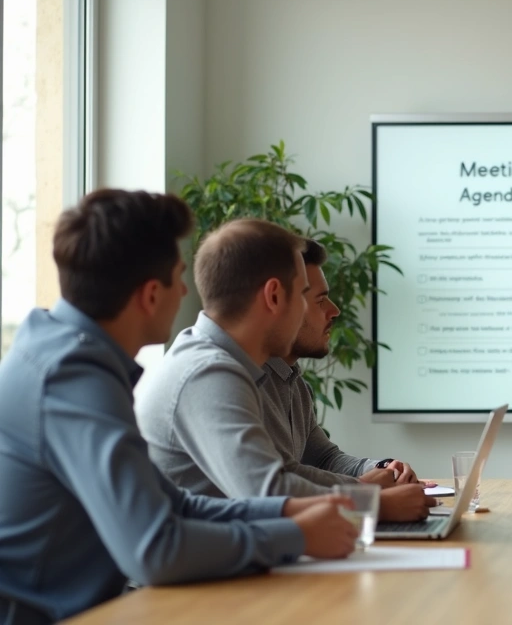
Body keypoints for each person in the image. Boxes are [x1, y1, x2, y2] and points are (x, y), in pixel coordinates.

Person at [0, 191, 356, 624]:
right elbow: (154, 549)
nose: (188, 290)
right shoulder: (72, 379)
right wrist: (294, 535)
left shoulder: (64, 355)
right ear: (151, 295)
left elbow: (174, 504)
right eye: (178, 276)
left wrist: (284, 512)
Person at [135, 220, 434, 522]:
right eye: (304, 293)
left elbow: (312, 461)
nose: (333, 310)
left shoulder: (239, 366)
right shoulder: (208, 374)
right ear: (274, 296)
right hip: (214, 563)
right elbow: (268, 489)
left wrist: (376, 476)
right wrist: (371, 501)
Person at [258, 240, 417, 488]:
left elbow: (324, 458)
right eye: (321, 300)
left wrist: (381, 468)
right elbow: (276, 484)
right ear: (276, 301)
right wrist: (365, 493)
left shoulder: (294, 383)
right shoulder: (240, 380)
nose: (335, 311)